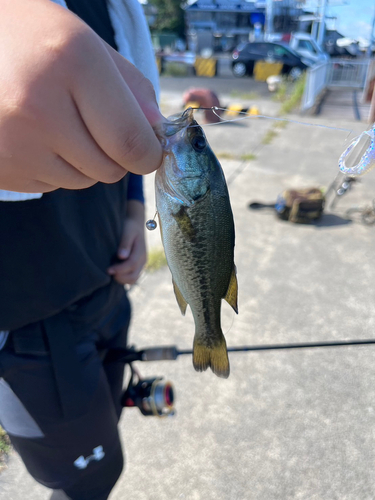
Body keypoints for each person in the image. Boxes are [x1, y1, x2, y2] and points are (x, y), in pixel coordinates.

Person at [0, 0, 164, 499]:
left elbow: (136, 124)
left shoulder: (119, 9)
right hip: (23, 323)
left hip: (108, 286)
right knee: (89, 476)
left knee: (106, 422)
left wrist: (134, 210)